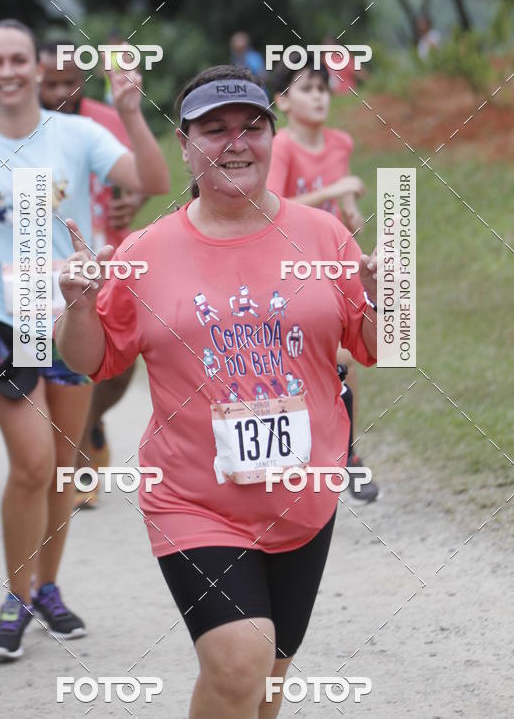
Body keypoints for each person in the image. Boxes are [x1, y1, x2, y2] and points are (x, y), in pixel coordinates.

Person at [56, 65, 378, 719]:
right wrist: (81, 309)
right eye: (215, 129)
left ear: (271, 135)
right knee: (240, 658)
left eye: (251, 126)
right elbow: (94, 360)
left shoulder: (323, 237)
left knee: (267, 680)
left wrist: (392, 295)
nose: (236, 142)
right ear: (185, 143)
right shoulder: (145, 251)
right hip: (194, 500)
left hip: (303, 492)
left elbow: (377, 346)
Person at [0, 19, 169, 659]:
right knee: (31, 462)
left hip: (69, 315)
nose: (6, 71)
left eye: (17, 60)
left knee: (63, 464)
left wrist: (131, 112)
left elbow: (155, 180)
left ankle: (48, 587)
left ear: (36, 68)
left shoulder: (79, 133)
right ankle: (16, 595)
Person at [38, 39, 147, 508]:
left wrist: (136, 199)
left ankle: (90, 422)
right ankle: (74, 456)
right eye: (51, 83)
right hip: (48, 259)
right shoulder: (25, 128)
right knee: (65, 360)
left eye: (70, 82)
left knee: (122, 363)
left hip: (110, 251)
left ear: (84, 80)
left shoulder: (106, 121)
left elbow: (143, 174)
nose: (61, 91)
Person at [267, 61, 378, 502]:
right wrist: (333, 194)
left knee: (346, 359)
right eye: (307, 89)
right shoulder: (280, 145)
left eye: (323, 88)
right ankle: (299, 456)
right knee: (307, 361)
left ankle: (345, 455)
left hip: (333, 261)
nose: (318, 96)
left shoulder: (340, 141)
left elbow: (342, 191)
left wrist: (349, 210)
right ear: (283, 101)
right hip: (286, 265)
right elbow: (272, 205)